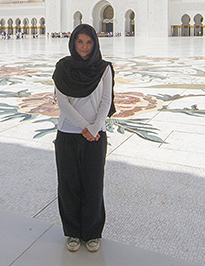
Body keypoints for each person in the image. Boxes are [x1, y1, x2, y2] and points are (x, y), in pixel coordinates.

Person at [52, 24, 114, 253]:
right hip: (68, 134)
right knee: (69, 184)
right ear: (73, 43)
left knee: (93, 184)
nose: (84, 47)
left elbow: (106, 100)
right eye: (80, 42)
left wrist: (95, 127)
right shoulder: (63, 68)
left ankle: (92, 232)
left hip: (95, 136)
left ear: (95, 44)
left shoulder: (104, 68)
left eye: (89, 42)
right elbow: (63, 102)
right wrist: (83, 127)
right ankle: (73, 232)